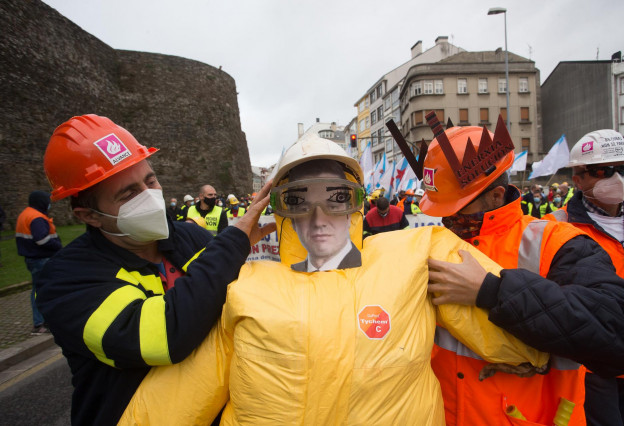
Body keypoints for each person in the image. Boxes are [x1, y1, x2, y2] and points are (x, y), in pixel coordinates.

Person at [119, 134, 548, 425]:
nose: (320, 216)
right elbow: (171, 404)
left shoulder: (416, 253)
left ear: (358, 203)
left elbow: (521, 341)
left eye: (337, 198)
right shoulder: (245, 286)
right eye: (299, 201)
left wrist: (496, 294)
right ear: (279, 210)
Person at [35, 114, 275, 426]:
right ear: (89, 216)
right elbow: (166, 336)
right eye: (129, 193)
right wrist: (234, 243)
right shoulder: (63, 281)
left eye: (150, 181)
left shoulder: (195, 238)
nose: (149, 196)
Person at [416, 114, 624, 425]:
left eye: (456, 209)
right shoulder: (433, 245)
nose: (448, 220)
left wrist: (493, 291)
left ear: (495, 196)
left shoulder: (554, 242)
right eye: (442, 211)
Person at [545, 129, 624, 426]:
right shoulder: (554, 227)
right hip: (589, 362)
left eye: (623, 168)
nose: (617, 178)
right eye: (603, 170)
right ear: (578, 180)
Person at [15, 190, 62, 335]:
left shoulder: (26, 214)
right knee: (42, 290)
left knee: (40, 288)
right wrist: (57, 245)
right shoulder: (37, 218)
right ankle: (41, 323)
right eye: (47, 201)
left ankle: (44, 320)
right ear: (41, 202)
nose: (49, 204)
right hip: (41, 258)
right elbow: (41, 239)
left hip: (33, 258)